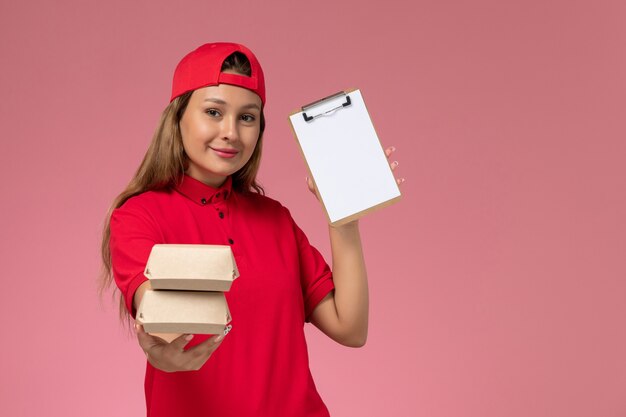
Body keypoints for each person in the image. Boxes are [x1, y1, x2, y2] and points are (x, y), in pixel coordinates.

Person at [99, 42, 402, 417]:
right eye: (213, 112)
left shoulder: (275, 219)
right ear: (177, 118)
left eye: (248, 117)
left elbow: (350, 328)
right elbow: (155, 315)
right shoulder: (138, 216)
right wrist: (160, 351)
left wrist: (343, 216)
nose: (231, 132)